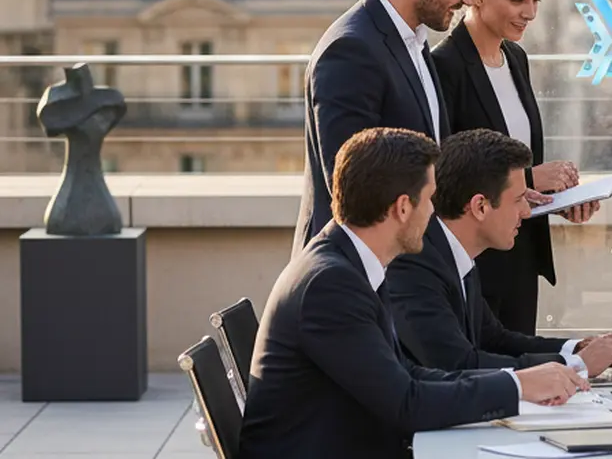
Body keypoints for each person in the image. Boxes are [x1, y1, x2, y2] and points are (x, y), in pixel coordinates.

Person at [239, 128, 588, 459]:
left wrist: (516, 382)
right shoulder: (330, 284)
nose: (435, 213)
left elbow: (407, 375)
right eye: (429, 200)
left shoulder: (347, 262)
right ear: (403, 207)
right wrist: (516, 387)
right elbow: (405, 403)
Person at [293, 0, 496, 251]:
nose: (467, 0)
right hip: (360, 281)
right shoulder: (351, 50)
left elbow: (435, 158)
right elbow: (355, 192)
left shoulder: (413, 41)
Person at [431, 0, 597, 335]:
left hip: (520, 251)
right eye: (518, 0)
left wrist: (555, 198)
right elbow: (445, 173)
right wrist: (529, 179)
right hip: (476, 260)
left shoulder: (515, 58)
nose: (531, 12)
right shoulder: (444, 66)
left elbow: (514, 161)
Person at [385, 129, 612, 374]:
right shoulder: (414, 266)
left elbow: (494, 339)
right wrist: (575, 364)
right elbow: (457, 365)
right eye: (519, 199)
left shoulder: (452, 251)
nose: (527, 212)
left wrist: (577, 348)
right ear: (480, 206)